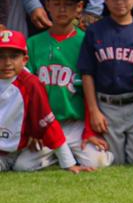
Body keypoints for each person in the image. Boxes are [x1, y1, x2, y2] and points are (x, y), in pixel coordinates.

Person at [23, 0, 113, 170]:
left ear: (79, 7)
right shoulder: (33, 43)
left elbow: (92, 90)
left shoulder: (86, 41)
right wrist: (30, 128)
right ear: (47, 5)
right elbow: (26, 94)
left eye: (69, 4)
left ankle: (62, 153)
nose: (62, 9)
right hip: (45, 124)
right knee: (23, 165)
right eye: (56, 4)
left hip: (75, 124)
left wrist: (89, 130)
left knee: (99, 162)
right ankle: (62, 154)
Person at [78, 0, 133, 165]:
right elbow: (87, 73)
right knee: (116, 160)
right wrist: (94, 110)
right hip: (107, 105)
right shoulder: (95, 31)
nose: (119, 1)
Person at [0, 29, 93, 173]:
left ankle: (55, 156)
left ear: (25, 60)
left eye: (14, 56)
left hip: (13, 149)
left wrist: (68, 163)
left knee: (23, 166)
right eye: (1, 57)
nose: (7, 63)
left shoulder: (31, 84)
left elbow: (48, 123)